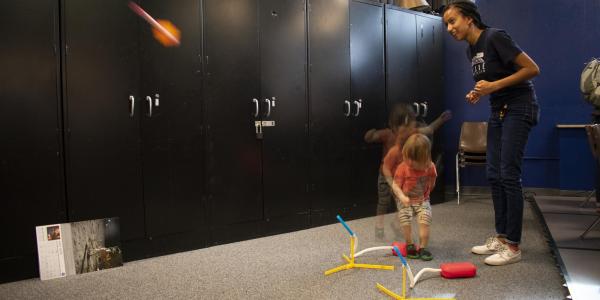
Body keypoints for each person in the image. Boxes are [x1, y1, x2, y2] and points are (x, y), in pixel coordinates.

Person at [443, 1, 540, 265]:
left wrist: (493, 85)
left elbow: (532, 69)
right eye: (446, 24)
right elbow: (487, 84)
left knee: (509, 173)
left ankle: (513, 246)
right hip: (498, 110)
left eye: (453, 21)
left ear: (469, 19)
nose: (449, 28)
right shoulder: (471, 50)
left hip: (520, 107)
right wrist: (478, 92)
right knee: (493, 173)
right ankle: (501, 235)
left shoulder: (495, 36)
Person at [366, 103, 451, 240]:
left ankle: (397, 224)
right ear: (395, 126)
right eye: (406, 125)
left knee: (404, 203)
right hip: (386, 176)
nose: (410, 129)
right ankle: (379, 227)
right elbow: (371, 137)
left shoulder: (412, 133)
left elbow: (429, 129)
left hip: (401, 177)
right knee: (383, 203)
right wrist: (370, 135)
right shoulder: (388, 135)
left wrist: (441, 119)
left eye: (411, 124)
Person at [390, 133, 437, 261]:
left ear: (425, 158)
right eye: (407, 157)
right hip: (405, 200)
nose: (409, 162)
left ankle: (423, 247)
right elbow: (395, 186)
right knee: (405, 221)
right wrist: (402, 197)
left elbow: (433, 179)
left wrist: (429, 190)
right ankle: (410, 244)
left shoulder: (430, 167)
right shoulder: (403, 167)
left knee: (425, 222)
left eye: (413, 160)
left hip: (422, 200)